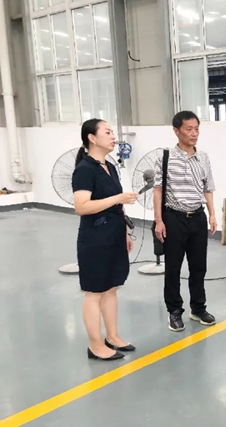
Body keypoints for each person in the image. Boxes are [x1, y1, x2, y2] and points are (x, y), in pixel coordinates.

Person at [72, 119, 138, 360]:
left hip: (114, 233)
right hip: (95, 238)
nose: (113, 136)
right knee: (95, 292)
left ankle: (112, 336)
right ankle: (95, 345)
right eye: (107, 132)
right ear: (92, 138)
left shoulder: (109, 166)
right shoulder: (84, 169)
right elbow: (81, 206)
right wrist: (118, 198)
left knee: (111, 288)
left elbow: (117, 205)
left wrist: (125, 232)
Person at [153, 110, 217, 332]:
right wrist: (159, 221)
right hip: (174, 219)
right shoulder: (165, 158)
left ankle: (198, 308)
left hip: (197, 217)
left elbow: (208, 188)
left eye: (196, 129)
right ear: (176, 131)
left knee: (199, 267)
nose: (194, 133)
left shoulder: (203, 157)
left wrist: (212, 214)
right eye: (189, 129)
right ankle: (174, 311)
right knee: (173, 268)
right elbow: (158, 190)